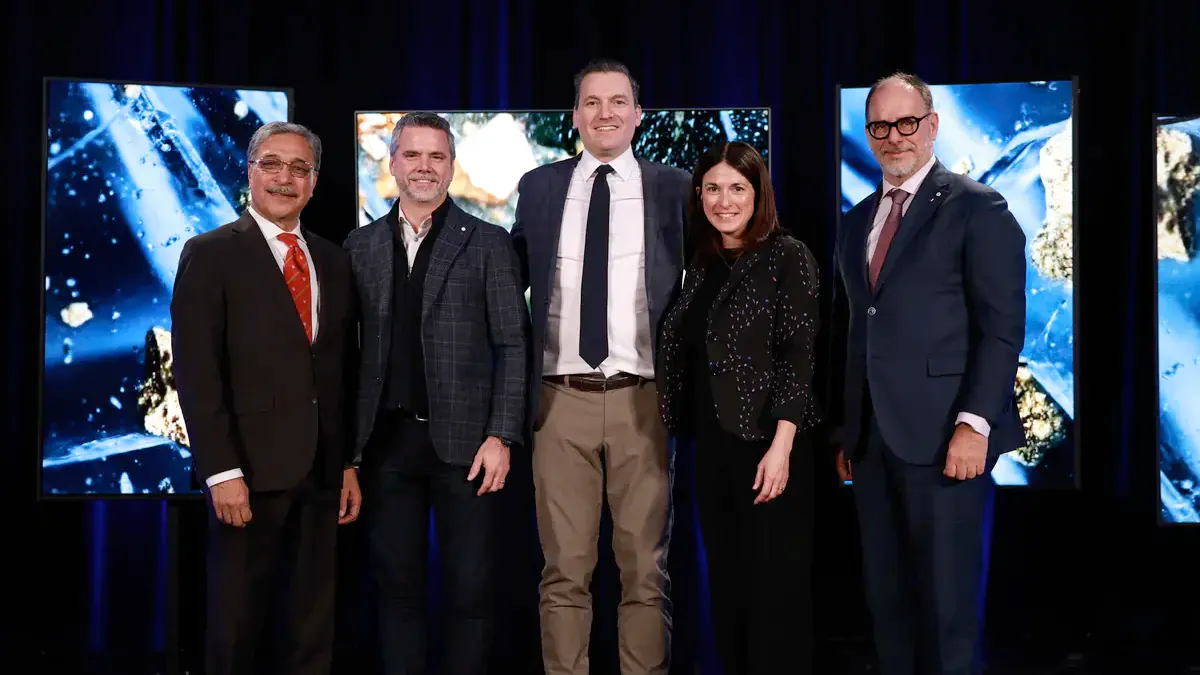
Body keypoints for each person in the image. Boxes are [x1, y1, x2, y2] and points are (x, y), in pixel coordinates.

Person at [828, 72, 1027, 675]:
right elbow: (854, 329)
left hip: (946, 440)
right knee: (887, 608)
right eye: (880, 126)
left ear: (933, 125)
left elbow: (1000, 329)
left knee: (947, 612)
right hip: (872, 445)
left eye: (907, 122)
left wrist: (975, 424)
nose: (894, 136)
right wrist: (847, 432)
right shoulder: (856, 221)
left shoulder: (977, 207)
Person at [510, 58, 690, 675]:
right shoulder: (539, 187)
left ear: (638, 115)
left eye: (617, 102)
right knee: (564, 571)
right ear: (575, 115)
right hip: (559, 401)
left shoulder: (676, 187)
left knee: (645, 571)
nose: (604, 113)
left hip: (645, 400)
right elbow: (509, 284)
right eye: (592, 102)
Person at [171, 121, 361, 675]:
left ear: (314, 182)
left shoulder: (333, 260)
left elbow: (340, 372)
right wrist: (221, 471)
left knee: (311, 628)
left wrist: (346, 463)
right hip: (247, 474)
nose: (285, 178)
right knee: (236, 627)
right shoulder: (209, 254)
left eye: (300, 168)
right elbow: (197, 373)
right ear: (249, 172)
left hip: (321, 475)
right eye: (271, 164)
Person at [343, 111, 528, 675]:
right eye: (412, 155)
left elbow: (513, 345)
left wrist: (501, 435)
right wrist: (349, 456)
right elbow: (347, 358)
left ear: (451, 166)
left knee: (470, 592)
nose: (424, 166)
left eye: (436, 156)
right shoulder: (359, 246)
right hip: (385, 447)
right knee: (396, 591)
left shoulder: (489, 243)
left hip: (467, 449)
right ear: (393, 162)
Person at [656, 141, 821, 674]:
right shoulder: (701, 261)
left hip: (769, 450)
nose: (723, 201)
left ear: (758, 194)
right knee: (727, 591)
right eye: (712, 188)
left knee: (773, 597)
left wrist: (782, 446)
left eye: (737, 188)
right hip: (712, 449)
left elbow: (800, 355)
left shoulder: (788, 256)